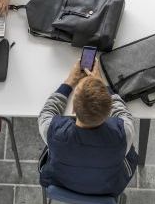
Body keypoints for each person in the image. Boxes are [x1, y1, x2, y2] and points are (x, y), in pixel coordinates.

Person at [38, 59, 138, 196]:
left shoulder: (54, 133)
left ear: (73, 109)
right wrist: (101, 83)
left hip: (62, 183)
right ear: (109, 113)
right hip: (107, 188)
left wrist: (70, 81)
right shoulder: (124, 134)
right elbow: (122, 112)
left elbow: (47, 112)